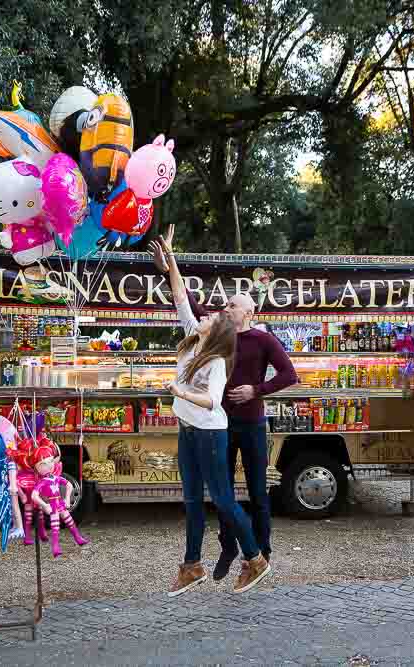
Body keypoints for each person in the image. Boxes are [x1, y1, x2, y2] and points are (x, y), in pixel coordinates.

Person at [151, 225, 297, 582]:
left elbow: (289, 375)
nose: (221, 308)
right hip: (211, 423)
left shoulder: (254, 342)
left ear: (246, 313)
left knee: (253, 493)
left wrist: (255, 390)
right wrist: (169, 259)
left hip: (243, 422)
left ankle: (259, 553)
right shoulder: (205, 336)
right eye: (225, 305)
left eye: (231, 305)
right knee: (218, 494)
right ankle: (223, 553)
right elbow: (183, 298)